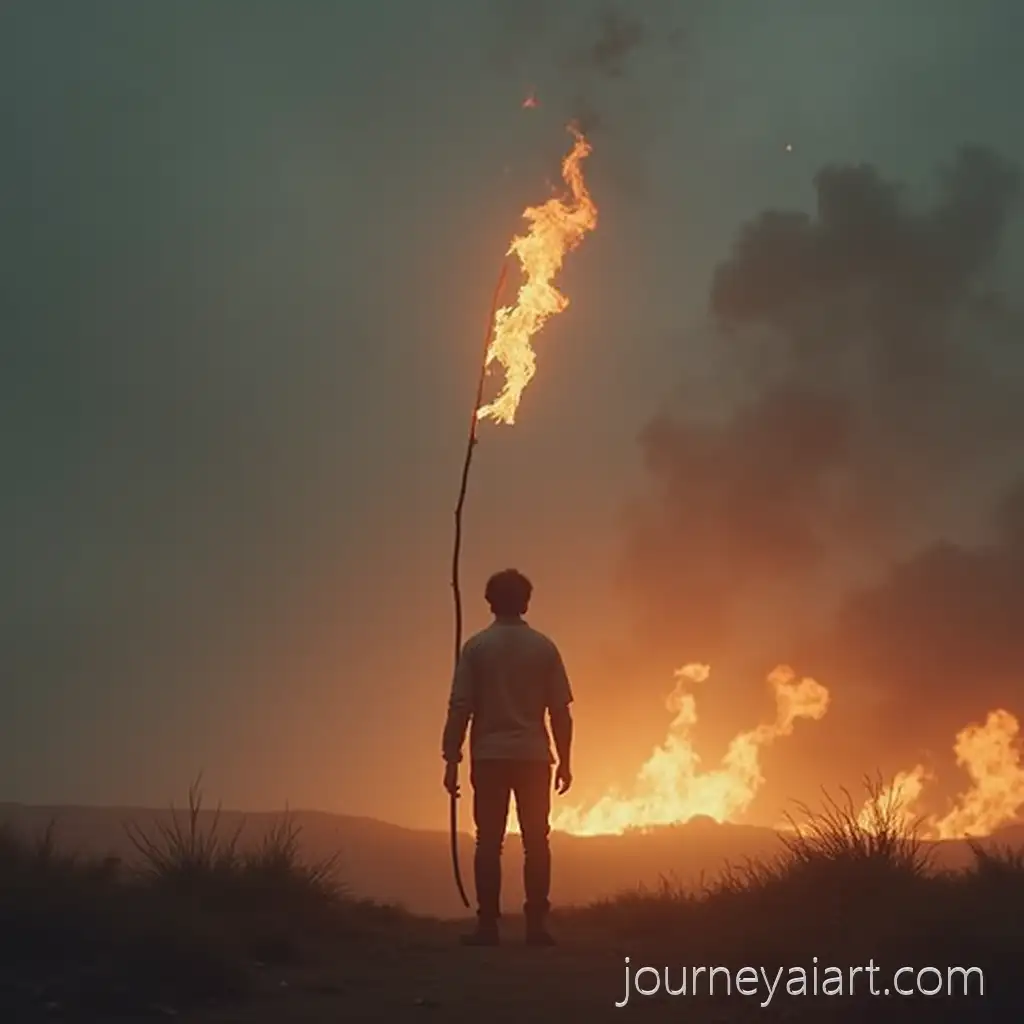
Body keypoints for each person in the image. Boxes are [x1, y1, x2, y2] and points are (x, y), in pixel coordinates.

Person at [441, 568, 574, 946]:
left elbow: (460, 706)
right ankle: (536, 926)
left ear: (489, 602)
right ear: (526, 602)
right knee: (537, 840)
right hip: (534, 756)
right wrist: (565, 760)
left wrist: (451, 758)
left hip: (489, 757)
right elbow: (560, 711)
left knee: (488, 840)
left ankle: (487, 926)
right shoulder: (544, 648)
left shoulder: (476, 648)